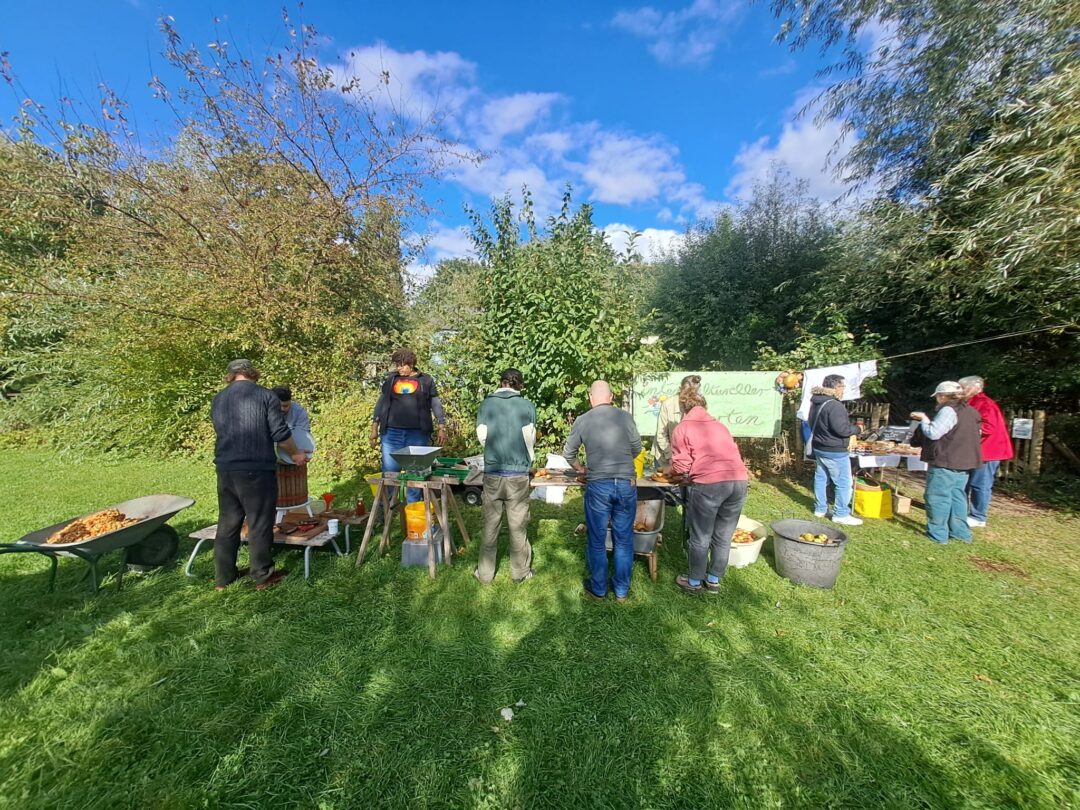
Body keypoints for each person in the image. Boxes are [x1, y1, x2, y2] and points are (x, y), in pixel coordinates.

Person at [211, 359, 306, 591]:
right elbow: (279, 431)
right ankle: (262, 576)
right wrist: (295, 453)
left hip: (225, 468)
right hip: (256, 469)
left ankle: (223, 579)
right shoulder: (265, 396)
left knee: (228, 522)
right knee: (260, 522)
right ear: (253, 374)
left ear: (231, 376)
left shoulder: (219, 398)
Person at [562, 380, 642, 603]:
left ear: (590, 397)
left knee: (597, 540)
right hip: (626, 483)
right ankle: (621, 591)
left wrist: (580, 468)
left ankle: (598, 589)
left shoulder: (582, 420)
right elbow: (637, 448)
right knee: (624, 540)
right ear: (612, 396)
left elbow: (568, 453)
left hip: (598, 485)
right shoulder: (625, 417)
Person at [666, 389, 748, 594]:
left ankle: (694, 582)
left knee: (701, 536)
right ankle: (713, 580)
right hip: (738, 481)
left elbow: (682, 466)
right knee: (723, 535)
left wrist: (671, 471)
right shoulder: (719, 426)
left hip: (710, 484)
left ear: (683, 408)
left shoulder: (683, 428)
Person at [475, 368, 537, 584]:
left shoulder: (487, 404)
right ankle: (520, 573)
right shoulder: (526, 405)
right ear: (519, 384)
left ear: (501, 382)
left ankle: (484, 574)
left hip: (492, 472)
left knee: (491, 525)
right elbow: (529, 439)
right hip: (517, 475)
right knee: (517, 526)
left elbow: (482, 436)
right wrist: (528, 462)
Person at [369, 348, 448, 504]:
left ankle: (413, 510)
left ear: (411, 364)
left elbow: (435, 403)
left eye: (401, 365)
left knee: (415, 474)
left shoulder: (426, 380)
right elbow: (381, 403)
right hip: (391, 434)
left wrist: (441, 426)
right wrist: (374, 427)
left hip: (417, 435)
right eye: (397, 365)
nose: (398, 368)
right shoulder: (391, 380)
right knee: (390, 473)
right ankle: (388, 511)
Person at [911, 381, 983, 544]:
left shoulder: (948, 410)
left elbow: (933, 433)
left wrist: (923, 419)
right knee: (958, 496)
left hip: (945, 460)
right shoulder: (971, 411)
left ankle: (937, 535)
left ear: (943, 396)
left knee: (938, 497)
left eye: (937, 396)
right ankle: (961, 533)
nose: (937, 399)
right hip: (964, 461)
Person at [807, 374, 863, 526]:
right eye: (842, 386)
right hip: (834, 450)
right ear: (836, 387)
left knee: (821, 478)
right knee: (844, 482)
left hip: (819, 447)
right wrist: (857, 429)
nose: (844, 390)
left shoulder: (816, 402)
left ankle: (820, 509)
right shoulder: (835, 405)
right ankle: (841, 514)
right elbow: (842, 430)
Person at [959, 375, 1013, 528]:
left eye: (963, 387)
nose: (960, 390)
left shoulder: (985, 403)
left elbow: (987, 428)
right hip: (973, 450)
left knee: (980, 483)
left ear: (974, 387)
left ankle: (978, 516)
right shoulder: (969, 402)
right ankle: (962, 511)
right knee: (965, 482)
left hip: (988, 451)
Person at [652, 374, 702, 468]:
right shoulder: (668, 404)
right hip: (664, 456)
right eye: (686, 392)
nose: (689, 395)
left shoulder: (698, 404)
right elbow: (661, 434)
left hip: (687, 458)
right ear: (680, 388)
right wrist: (670, 456)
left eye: (693, 393)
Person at [271, 386, 315, 462]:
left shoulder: (299, 411)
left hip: (295, 458)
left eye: (285, 406)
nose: (282, 409)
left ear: (290, 402)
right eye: (278, 406)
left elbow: (302, 437)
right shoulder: (263, 410)